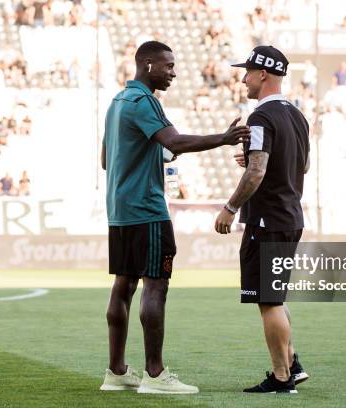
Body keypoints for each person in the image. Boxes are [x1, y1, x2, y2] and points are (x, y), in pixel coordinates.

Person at [100, 41, 250, 394]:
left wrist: (155, 157)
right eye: (168, 65)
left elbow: (107, 160)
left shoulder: (116, 103)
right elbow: (176, 141)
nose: (173, 72)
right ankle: (155, 375)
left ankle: (117, 371)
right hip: (147, 211)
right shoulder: (144, 102)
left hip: (120, 212)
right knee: (156, 285)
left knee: (123, 286)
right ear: (148, 64)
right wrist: (224, 138)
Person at [215, 45, 310, 394]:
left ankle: (282, 377)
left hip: (267, 220)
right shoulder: (298, 115)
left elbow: (257, 172)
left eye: (248, 72)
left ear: (264, 74)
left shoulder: (260, 117)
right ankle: (293, 365)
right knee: (275, 297)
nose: (244, 78)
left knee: (268, 300)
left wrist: (230, 207)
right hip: (290, 216)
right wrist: (259, 160)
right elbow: (301, 165)